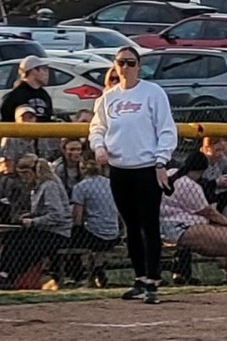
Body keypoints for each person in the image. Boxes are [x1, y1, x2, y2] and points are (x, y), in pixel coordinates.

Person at [89, 45, 177, 304]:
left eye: (130, 62)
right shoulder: (108, 98)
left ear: (139, 66)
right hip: (120, 170)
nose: (125, 68)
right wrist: (99, 147)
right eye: (120, 63)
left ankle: (152, 281)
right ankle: (139, 279)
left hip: (146, 169)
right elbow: (97, 127)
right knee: (131, 227)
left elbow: (166, 130)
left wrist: (161, 162)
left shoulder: (152, 93)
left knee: (149, 226)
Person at [159, 150, 227, 288]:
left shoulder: (171, 172)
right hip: (178, 228)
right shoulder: (190, 185)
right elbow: (209, 213)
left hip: (180, 225)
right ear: (201, 171)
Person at [0, 155, 72, 289]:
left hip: (57, 233)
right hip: (44, 229)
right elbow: (44, 210)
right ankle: (5, 274)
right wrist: (31, 215)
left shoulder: (49, 185)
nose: (23, 178)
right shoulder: (37, 187)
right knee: (12, 236)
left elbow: (57, 215)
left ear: (33, 172)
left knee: (23, 242)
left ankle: (8, 275)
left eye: (25, 174)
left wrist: (33, 221)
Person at [67, 158, 120, 286]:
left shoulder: (80, 187)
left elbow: (77, 218)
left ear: (82, 169)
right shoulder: (111, 183)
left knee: (69, 236)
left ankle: (77, 276)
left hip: (95, 235)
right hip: (114, 234)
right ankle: (98, 266)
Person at [0, 55, 53, 122]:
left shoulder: (44, 95)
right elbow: (6, 124)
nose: (47, 73)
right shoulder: (13, 97)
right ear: (33, 70)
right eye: (44, 69)